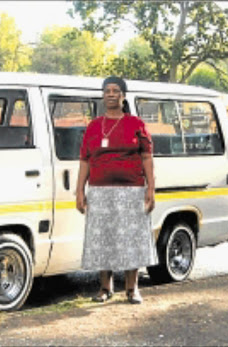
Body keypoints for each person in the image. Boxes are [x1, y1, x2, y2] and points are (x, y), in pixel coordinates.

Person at [76, 76, 158, 304]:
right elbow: (84, 159)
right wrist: (80, 191)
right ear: (103, 96)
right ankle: (105, 288)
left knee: (131, 239)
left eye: (116, 91)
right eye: (107, 91)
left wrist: (151, 188)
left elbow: (147, 157)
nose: (111, 94)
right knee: (103, 238)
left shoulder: (136, 124)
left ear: (123, 96)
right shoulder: (93, 126)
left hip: (131, 190)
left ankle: (132, 289)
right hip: (100, 191)